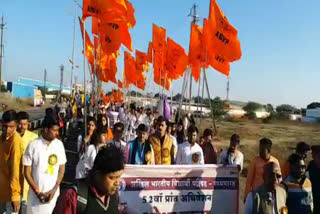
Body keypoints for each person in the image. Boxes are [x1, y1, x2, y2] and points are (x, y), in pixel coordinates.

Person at [23, 115, 67, 214]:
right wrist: (38, 192)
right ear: (46, 129)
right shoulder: (33, 145)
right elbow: (27, 172)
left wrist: (54, 189)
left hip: (54, 198)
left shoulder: (59, 145)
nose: (57, 133)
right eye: (54, 130)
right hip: (35, 199)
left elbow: (62, 169)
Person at [83, 144, 124, 213]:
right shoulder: (75, 197)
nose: (117, 183)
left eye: (119, 177)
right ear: (97, 175)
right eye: (112, 178)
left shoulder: (114, 197)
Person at [0, 110, 23, 214]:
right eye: (4, 126)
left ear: (16, 126)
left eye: (11, 127)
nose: (7, 130)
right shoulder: (2, 138)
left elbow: (15, 170)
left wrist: (15, 196)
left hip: (11, 193)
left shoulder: (15, 141)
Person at [16, 111, 38, 212]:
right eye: (20, 124)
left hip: (27, 182)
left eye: (25, 124)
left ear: (28, 124)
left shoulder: (33, 138)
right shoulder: (10, 136)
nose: (22, 126)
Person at [307, 145, 320, 214]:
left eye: (314, 154)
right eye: (312, 154)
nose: (312, 156)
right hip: (313, 197)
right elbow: (305, 177)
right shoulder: (312, 164)